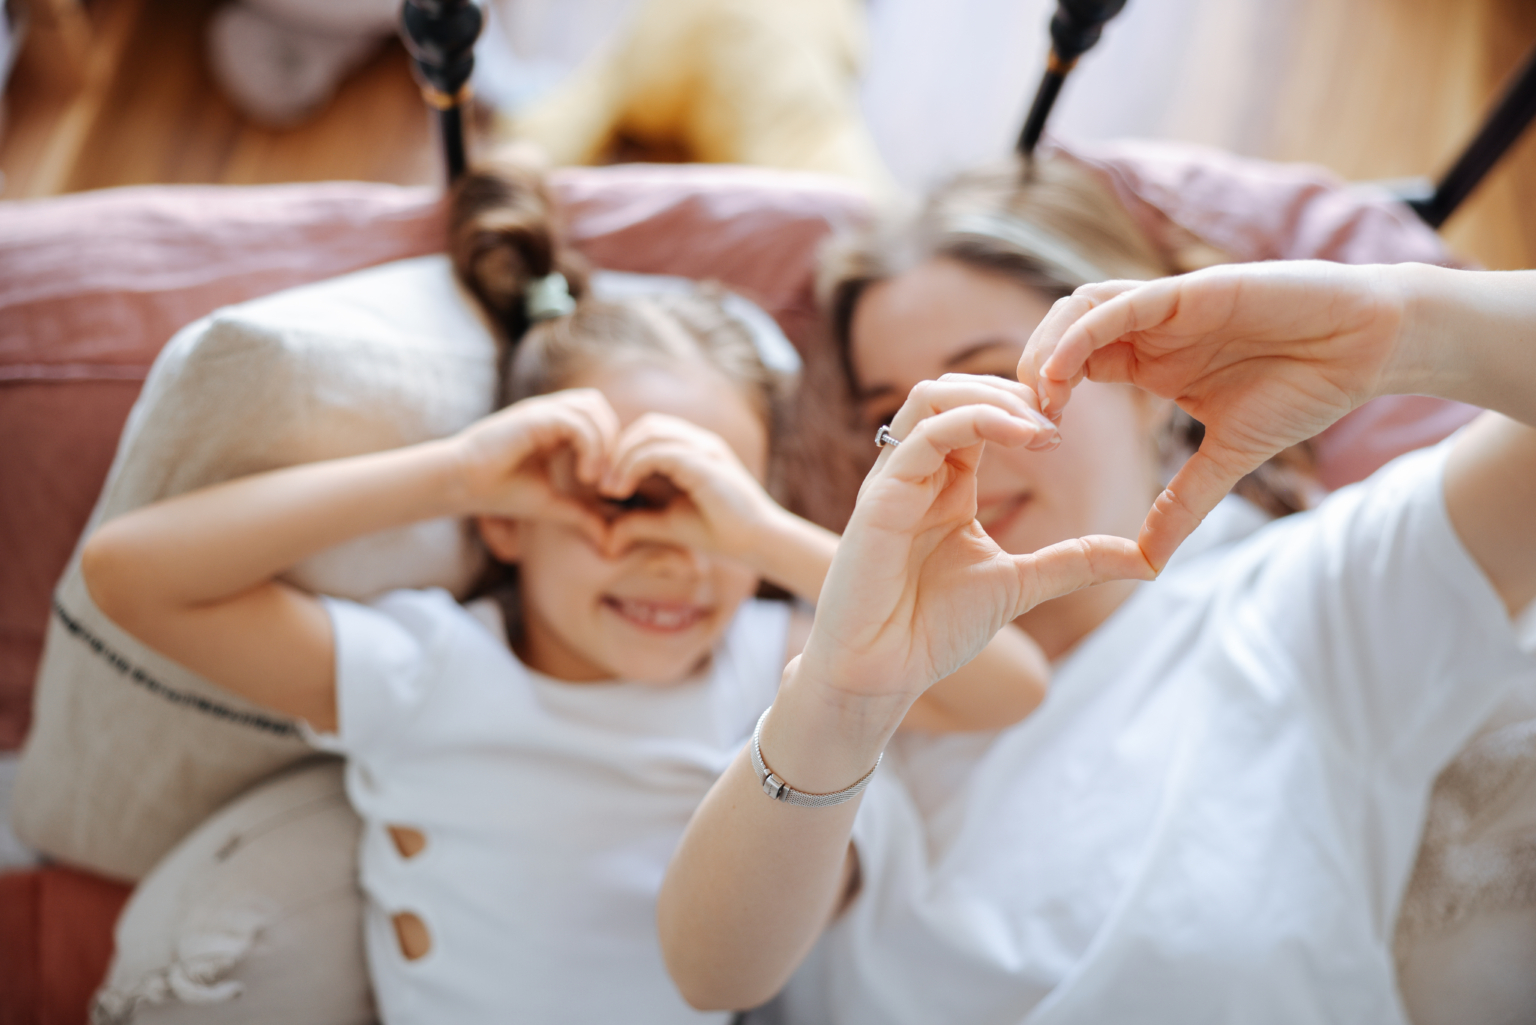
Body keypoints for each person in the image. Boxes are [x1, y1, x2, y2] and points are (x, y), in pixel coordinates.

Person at [76, 162, 1049, 1024]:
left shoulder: (777, 665)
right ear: (509, 522)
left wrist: (756, 530)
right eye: (624, 504)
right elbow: (131, 574)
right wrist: (453, 474)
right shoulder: (428, 669)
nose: (673, 556)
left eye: (707, 506)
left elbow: (1008, 682)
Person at [657, 159, 1536, 1022]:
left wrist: (1407, 324)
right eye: (891, 420)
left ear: (1150, 380)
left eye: (997, 376)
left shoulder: (1316, 593)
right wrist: (841, 698)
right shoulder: (864, 663)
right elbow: (713, 972)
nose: (954, 442)